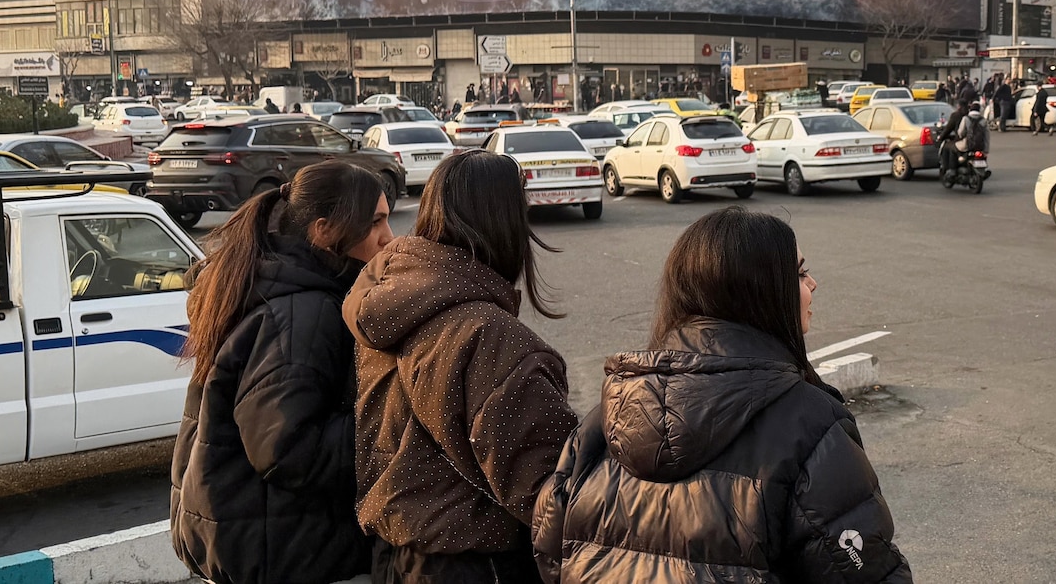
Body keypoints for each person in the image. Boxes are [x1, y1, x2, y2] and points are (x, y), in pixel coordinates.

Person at [533, 207, 911, 583]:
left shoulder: (608, 416)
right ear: (758, 294)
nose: (813, 284)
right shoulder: (811, 426)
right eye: (798, 273)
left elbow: (552, 551)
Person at [347, 150, 576, 584]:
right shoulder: (491, 337)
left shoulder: (388, 303)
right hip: (476, 562)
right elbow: (552, 496)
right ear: (506, 224)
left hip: (395, 556)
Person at [170, 161, 393, 584]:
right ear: (323, 231)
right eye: (375, 222)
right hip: (286, 552)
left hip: (246, 536)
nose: (388, 237)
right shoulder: (303, 310)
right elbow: (288, 448)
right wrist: (388, 421)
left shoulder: (268, 281)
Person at [938, 99, 970, 177]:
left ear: (959, 106)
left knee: (948, 147)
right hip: (976, 141)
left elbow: (948, 128)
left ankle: (952, 169)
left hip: (963, 140)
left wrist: (941, 137)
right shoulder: (969, 115)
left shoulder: (956, 115)